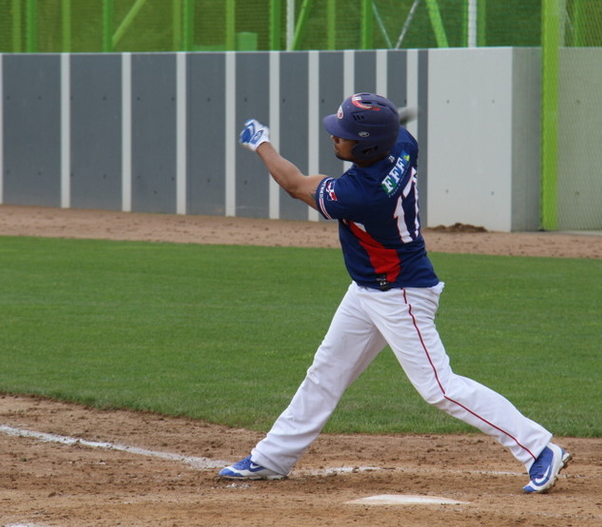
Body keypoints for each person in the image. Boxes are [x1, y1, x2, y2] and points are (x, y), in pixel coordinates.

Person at [218, 93, 571, 493]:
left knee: (440, 388)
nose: (335, 138)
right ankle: (272, 458)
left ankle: (539, 448)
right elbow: (394, 132)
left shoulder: (360, 192)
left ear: (368, 147)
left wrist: (261, 143)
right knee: (326, 373)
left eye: (344, 135)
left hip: (400, 293)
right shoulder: (402, 146)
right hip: (369, 289)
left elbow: (294, 184)